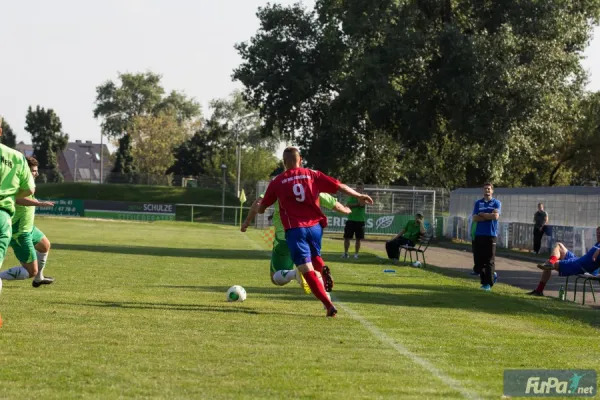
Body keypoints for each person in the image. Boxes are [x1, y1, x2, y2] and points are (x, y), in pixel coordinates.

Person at [257, 146, 373, 317]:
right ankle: (323, 269)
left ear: (284, 162)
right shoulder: (312, 174)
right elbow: (338, 185)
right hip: (315, 228)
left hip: (296, 230)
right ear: (300, 159)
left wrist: (259, 208)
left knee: (306, 269)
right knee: (315, 257)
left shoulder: (278, 181)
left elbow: (263, 208)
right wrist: (358, 196)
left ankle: (329, 306)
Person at [242, 191, 351, 293]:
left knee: (275, 277)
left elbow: (258, 203)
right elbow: (331, 202)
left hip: (285, 238)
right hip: (308, 235)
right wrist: (345, 209)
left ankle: (295, 274)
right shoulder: (310, 183)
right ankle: (327, 302)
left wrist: (247, 221)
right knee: (315, 269)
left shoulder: (279, 184)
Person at [0, 156, 55, 287]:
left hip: (29, 228)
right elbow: (16, 199)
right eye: (33, 171)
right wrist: (39, 203)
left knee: (45, 245)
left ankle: (39, 278)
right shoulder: (16, 182)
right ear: (24, 170)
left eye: (36, 171)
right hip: (19, 232)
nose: (36, 173)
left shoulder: (27, 184)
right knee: (31, 271)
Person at [0, 116, 36, 284]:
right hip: (3, 217)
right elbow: (30, 189)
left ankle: (40, 277)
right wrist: (11, 195)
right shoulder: (16, 157)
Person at [527, 226, 600, 296]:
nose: (598, 234)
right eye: (597, 232)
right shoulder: (598, 243)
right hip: (577, 260)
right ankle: (551, 262)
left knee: (547, 263)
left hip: (579, 266)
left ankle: (539, 290)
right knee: (559, 245)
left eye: (599, 233)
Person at [472, 183, 501, 291]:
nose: (487, 191)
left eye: (489, 189)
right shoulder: (478, 203)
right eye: (485, 189)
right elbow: (475, 218)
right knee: (479, 261)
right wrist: (488, 216)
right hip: (479, 234)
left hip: (491, 234)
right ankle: (490, 276)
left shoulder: (496, 203)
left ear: (492, 191)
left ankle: (487, 283)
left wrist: (482, 214)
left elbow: (496, 216)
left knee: (489, 260)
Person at [342, 182, 366, 259]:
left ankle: (356, 254)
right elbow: (347, 206)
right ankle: (346, 253)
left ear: (362, 189)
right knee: (346, 237)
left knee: (358, 239)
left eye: (360, 188)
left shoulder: (364, 197)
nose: (358, 189)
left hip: (360, 220)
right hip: (351, 219)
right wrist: (356, 204)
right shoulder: (351, 196)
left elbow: (362, 205)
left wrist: (353, 205)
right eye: (357, 187)